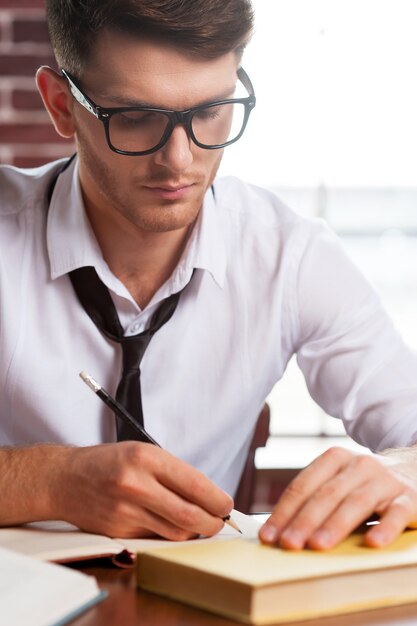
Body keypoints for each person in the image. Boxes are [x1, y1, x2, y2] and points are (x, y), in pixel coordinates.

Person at [1, 0, 417, 551]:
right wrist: (47, 482)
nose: (180, 159)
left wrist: (403, 475)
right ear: (61, 105)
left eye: (211, 110)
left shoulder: (289, 255)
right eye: (135, 116)